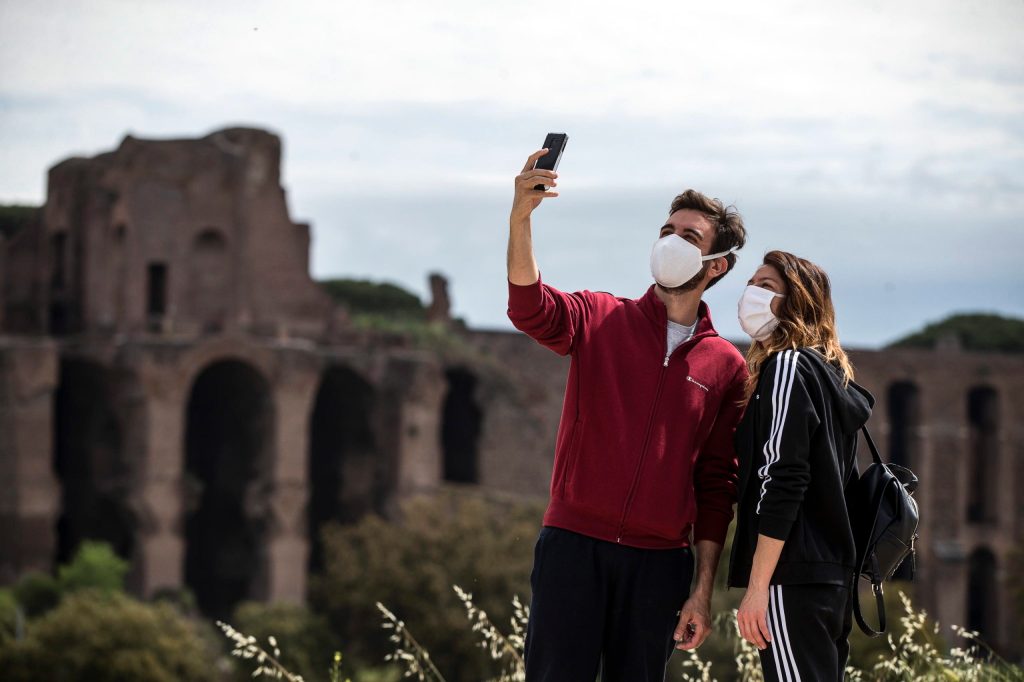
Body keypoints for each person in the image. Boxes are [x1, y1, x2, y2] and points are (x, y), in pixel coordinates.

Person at [507, 148, 748, 681]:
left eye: (689, 237)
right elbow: (528, 307)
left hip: (660, 565)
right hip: (573, 546)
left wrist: (702, 593)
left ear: (718, 265)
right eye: (667, 230)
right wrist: (520, 217)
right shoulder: (599, 316)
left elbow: (716, 485)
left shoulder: (727, 366)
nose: (671, 242)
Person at [727, 250, 874, 682]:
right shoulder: (831, 375)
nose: (752, 295)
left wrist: (758, 589)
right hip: (830, 579)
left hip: (792, 577)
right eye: (751, 284)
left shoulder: (789, 367)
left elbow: (783, 479)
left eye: (767, 287)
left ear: (798, 301)